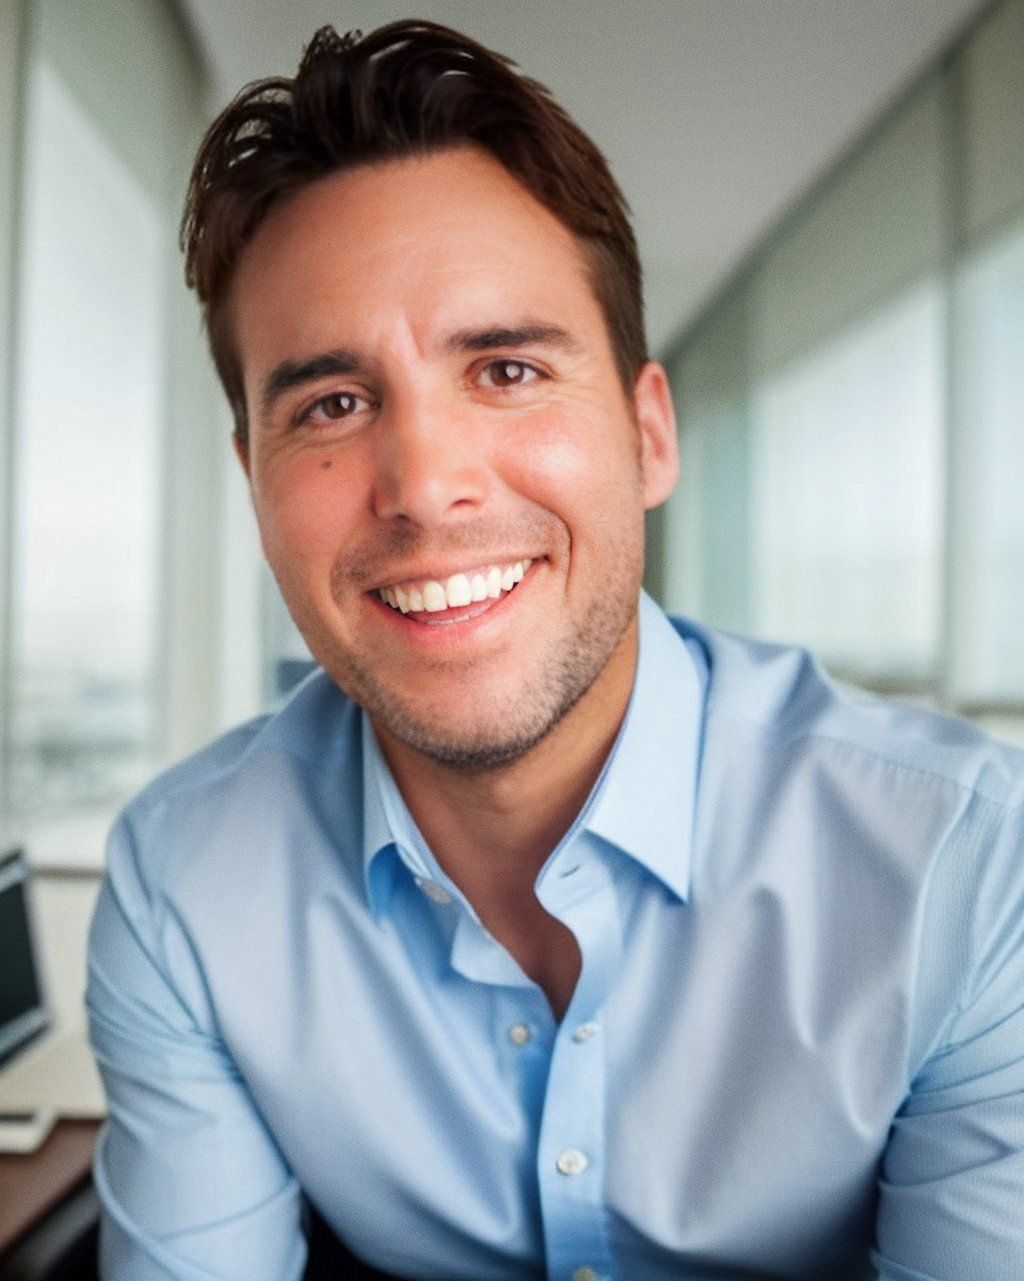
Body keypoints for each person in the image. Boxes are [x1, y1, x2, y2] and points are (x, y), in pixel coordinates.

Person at [86, 20, 1024, 1281]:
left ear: (647, 437)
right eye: (332, 404)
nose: (423, 489)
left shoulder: (960, 863)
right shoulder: (183, 883)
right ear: (254, 479)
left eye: (509, 369)